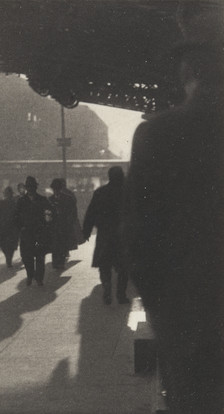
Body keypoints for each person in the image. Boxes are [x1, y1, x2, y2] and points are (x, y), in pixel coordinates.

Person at [123, 41, 224, 412]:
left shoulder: (157, 133)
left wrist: (163, 312)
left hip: (189, 315)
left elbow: (138, 237)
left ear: (189, 75)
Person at [83, 166, 129, 305]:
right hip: (123, 236)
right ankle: (121, 294)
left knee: (105, 265)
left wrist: (86, 231)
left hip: (105, 235)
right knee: (124, 267)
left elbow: (91, 213)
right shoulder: (128, 193)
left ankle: (107, 288)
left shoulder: (100, 192)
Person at [15, 176, 52, 286]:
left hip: (39, 233)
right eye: (29, 187)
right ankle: (30, 275)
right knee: (27, 257)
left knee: (40, 256)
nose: (31, 189)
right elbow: (16, 216)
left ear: (36, 187)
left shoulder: (43, 200)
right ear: (27, 188)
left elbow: (50, 213)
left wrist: (46, 225)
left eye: (32, 187)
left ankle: (39, 278)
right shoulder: (21, 201)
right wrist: (20, 227)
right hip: (26, 233)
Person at [48, 178, 79, 269]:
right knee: (55, 244)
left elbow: (73, 212)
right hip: (54, 226)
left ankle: (60, 262)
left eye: (57, 189)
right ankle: (55, 262)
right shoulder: (50, 199)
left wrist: (71, 222)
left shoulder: (68, 198)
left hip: (65, 225)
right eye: (54, 189)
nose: (56, 191)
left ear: (60, 189)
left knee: (62, 244)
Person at [0, 186, 20, 268]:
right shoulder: (0, 203)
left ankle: (8, 259)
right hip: (7, 228)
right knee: (7, 246)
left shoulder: (13, 204)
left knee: (8, 245)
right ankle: (8, 258)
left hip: (7, 228)